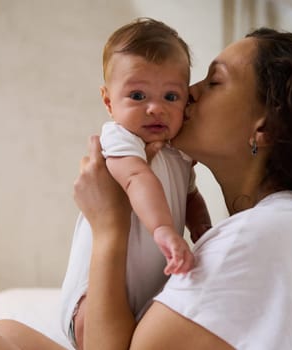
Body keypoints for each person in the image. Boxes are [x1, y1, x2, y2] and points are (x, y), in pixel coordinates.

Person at [0, 27, 292, 350]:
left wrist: (109, 227)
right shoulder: (280, 225)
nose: (189, 92)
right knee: (3, 329)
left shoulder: (270, 235)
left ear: (266, 127)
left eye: (214, 81)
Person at [60, 17, 211, 349]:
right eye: (138, 95)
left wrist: (204, 233)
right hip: (93, 290)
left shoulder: (180, 151)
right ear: (109, 102)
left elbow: (191, 196)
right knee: (91, 326)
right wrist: (164, 231)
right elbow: (137, 178)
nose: (156, 108)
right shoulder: (120, 139)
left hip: (145, 292)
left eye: (171, 96)